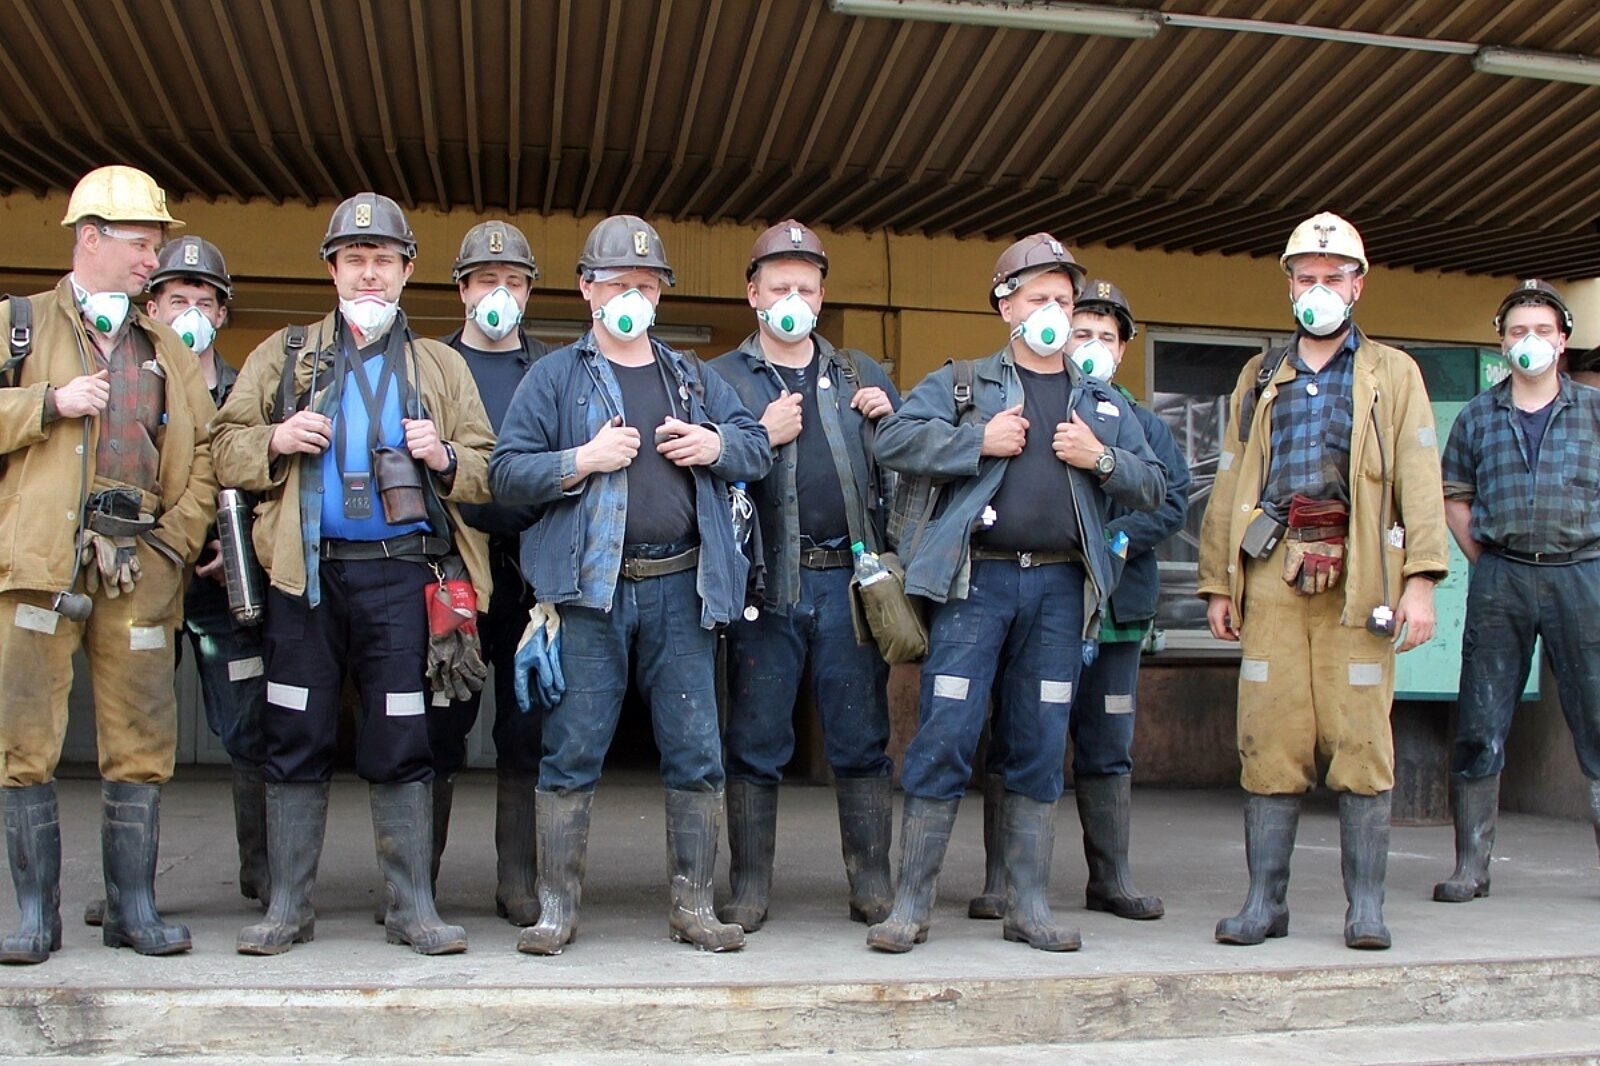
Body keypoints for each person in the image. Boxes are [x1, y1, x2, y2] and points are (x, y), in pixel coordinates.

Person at [212, 193, 495, 956]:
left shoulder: (440, 365)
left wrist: (445, 456)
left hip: (403, 579)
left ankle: (411, 908)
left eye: (383, 261)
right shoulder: (285, 353)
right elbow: (222, 447)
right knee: (293, 729)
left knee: (404, 735)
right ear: (332, 270)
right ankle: (286, 908)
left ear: (407, 270)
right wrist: (275, 438)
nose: (369, 274)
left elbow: (489, 467)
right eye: (354, 260)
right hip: (305, 578)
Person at [870, 235, 1166, 953]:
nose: (1054, 312)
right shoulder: (964, 384)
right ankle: (910, 907)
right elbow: (893, 440)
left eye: (1063, 299)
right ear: (1006, 306)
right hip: (976, 584)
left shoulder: (1102, 402)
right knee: (945, 734)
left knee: (1040, 741)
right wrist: (976, 441)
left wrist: (1101, 459)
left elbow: (1156, 486)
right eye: (1039, 298)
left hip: (1062, 588)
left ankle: (1027, 907)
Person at [490, 214, 771, 954]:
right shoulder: (554, 376)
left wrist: (715, 443)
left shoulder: (691, 377)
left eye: (646, 285)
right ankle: (556, 910)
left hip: (683, 588)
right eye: (618, 283)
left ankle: (694, 907)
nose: (632, 298)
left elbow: (755, 449)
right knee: (571, 750)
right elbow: (504, 473)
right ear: (586, 288)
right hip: (590, 594)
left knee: (697, 751)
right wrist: (581, 459)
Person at [1198, 212, 1447, 951]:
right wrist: (1219, 583)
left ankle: (1365, 909)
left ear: (1358, 285)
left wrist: (1421, 581)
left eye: (1333, 277)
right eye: (1306, 277)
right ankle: (1264, 905)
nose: (1319, 289)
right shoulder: (1260, 375)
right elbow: (1229, 481)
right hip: (1273, 571)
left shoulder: (1393, 373)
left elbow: (1419, 479)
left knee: (1361, 737)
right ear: (1289, 284)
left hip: (1361, 576)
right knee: (1269, 733)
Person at [0, 165, 215, 963]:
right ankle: (36, 919)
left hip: (138, 568)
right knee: (24, 738)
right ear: (89, 238)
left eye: (155, 244)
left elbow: (204, 455)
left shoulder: (165, 347)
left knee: (142, 739)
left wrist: (171, 545)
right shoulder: (18, 325)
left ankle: (133, 910)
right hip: (40, 565)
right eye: (140, 243)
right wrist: (46, 404)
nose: (152, 259)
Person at [968, 279, 1190, 924]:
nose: (1092, 345)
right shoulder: (1029, 405)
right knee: (1016, 736)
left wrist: (1112, 540)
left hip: (1116, 609)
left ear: (1123, 349)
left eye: (1106, 337)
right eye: (1082, 331)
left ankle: (1111, 879)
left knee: (1107, 740)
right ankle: (1002, 882)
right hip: (1042, 601)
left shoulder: (1143, 423)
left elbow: (1172, 501)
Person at [706, 220, 900, 932]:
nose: (794, 299)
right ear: (753, 294)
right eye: (780, 285)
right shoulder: (719, 379)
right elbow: (696, 468)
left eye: (807, 288)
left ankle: (872, 884)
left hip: (847, 583)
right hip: (765, 586)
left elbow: (907, 467)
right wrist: (758, 434)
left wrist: (891, 419)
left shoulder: (859, 374)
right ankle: (749, 887)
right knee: (755, 738)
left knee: (861, 736)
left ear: (821, 297)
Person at [1437, 279, 1600, 901]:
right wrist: (1487, 562)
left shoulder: (1594, 412)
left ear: (1563, 340)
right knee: (1480, 722)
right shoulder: (1478, 416)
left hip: (1581, 573)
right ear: (1502, 342)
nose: (1529, 341)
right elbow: (1455, 497)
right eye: (1517, 331)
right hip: (1501, 574)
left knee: (1597, 718)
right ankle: (1471, 867)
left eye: (1541, 330)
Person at [428, 220, 551, 926]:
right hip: (454, 574)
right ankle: (420, 884)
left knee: (527, 730)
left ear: (528, 292)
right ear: (463, 290)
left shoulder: (555, 370)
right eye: (485, 280)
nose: (499, 293)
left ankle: (518, 883)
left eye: (513, 281)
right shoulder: (428, 367)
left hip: (533, 577)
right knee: (440, 726)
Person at [148, 236, 271, 909]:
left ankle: (263, 875)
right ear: (153, 307)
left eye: (204, 300)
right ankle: (131, 887)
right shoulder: (129, 384)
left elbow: (274, 477)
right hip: (142, 580)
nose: (190, 312)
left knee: (249, 730)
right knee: (136, 729)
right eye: (177, 299)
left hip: (228, 588)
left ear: (222, 313)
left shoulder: (246, 388)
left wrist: (245, 543)